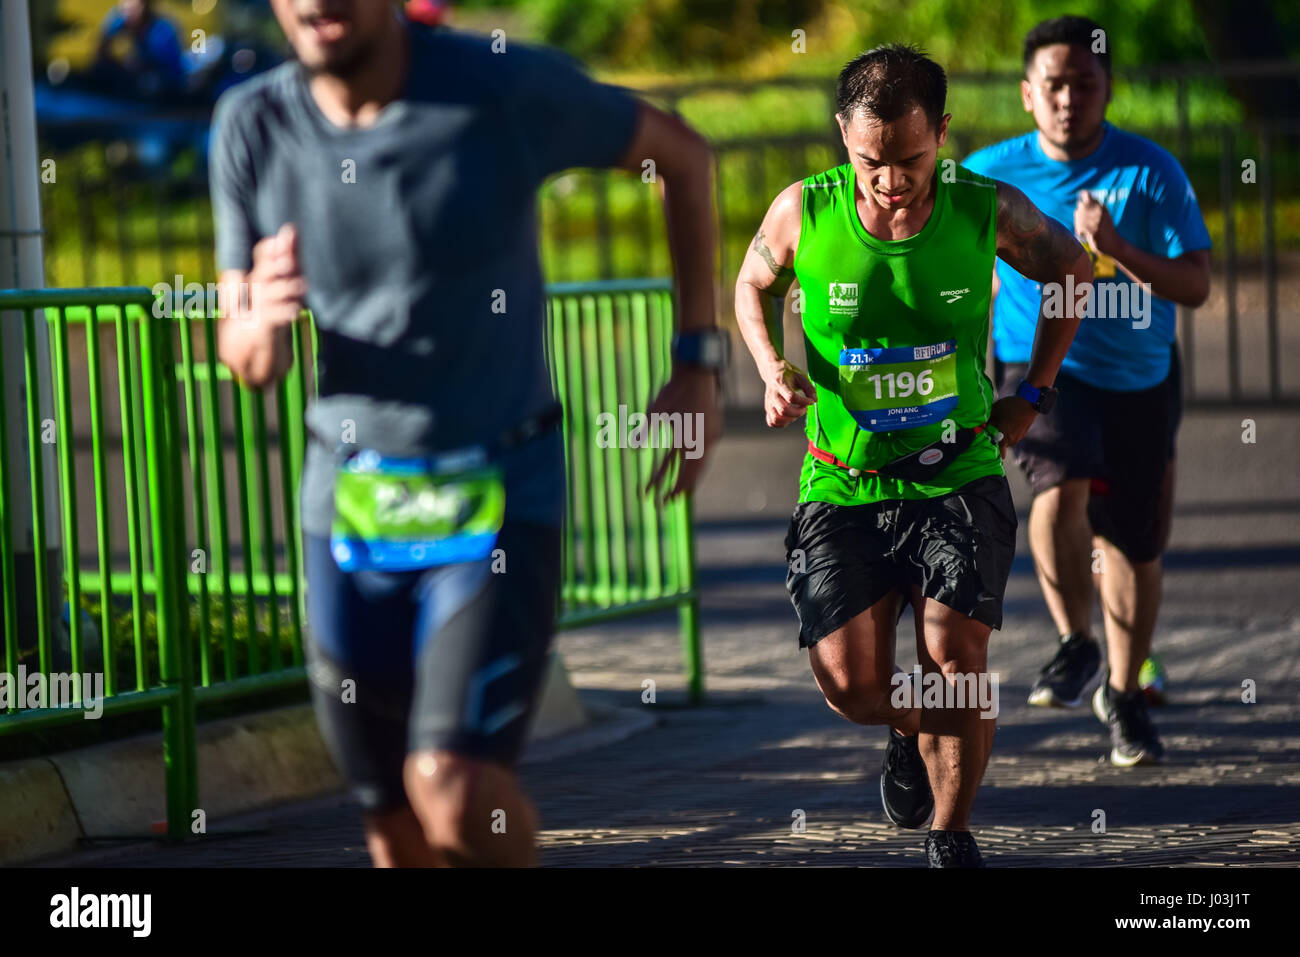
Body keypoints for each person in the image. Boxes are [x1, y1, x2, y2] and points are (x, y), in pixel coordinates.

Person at [211, 0, 723, 866]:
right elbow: (242, 346)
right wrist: (256, 325)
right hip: (349, 507)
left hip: (496, 491)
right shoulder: (252, 123)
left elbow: (680, 152)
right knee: (392, 824)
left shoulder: (494, 87)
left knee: (450, 784)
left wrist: (696, 359)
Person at [735, 44, 1090, 867]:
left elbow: (1074, 272)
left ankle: (951, 833)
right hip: (844, 478)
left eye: (909, 159)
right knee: (855, 687)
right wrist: (770, 366)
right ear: (842, 137)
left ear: (943, 132)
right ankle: (904, 725)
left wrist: (1031, 393)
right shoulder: (804, 211)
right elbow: (752, 283)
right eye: (869, 161)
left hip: (957, 469)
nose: (890, 179)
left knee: (956, 658)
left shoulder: (984, 208)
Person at [963, 15, 1211, 766]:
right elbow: (950, 280)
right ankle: (1075, 643)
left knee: (1135, 544)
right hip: (1045, 371)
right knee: (1059, 486)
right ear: (1027, 94)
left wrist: (1120, 250)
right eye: (1055, 84)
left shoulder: (1151, 170)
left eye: (1086, 84)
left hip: (1140, 378)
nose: (1070, 98)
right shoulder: (985, 176)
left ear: (1107, 90)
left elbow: (1197, 286)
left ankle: (1126, 695)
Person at [93, 0, 185, 98]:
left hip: (166, 76)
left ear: (145, 7)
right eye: (124, 9)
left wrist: (136, 65)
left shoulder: (162, 31)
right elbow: (102, 46)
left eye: (133, 9)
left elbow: (168, 67)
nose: (128, 14)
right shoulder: (122, 17)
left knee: (149, 84)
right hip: (140, 69)